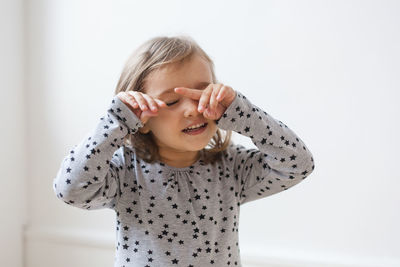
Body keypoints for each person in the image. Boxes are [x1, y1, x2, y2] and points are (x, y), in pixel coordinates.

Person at [53, 35, 315, 267]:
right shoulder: (125, 170)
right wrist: (115, 123)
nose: (193, 109)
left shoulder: (231, 166)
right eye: (171, 101)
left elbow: (298, 163)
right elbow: (71, 189)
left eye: (202, 93)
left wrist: (241, 112)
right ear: (140, 120)